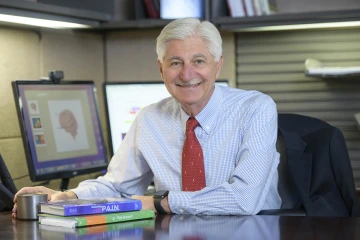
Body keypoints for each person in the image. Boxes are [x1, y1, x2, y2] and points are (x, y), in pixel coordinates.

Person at [12, 17, 281, 217]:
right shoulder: (150, 119)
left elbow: (244, 199)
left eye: (199, 61)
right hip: (177, 232)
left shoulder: (256, 109)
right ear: (161, 69)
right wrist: (68, 196)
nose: (187, 75)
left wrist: (160, 202)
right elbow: (117, 187)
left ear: (218, 64)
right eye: (176, 63)